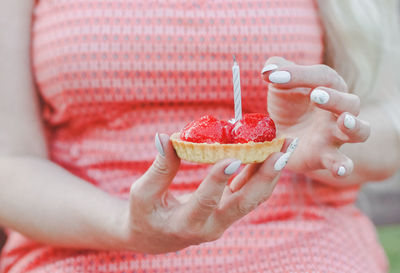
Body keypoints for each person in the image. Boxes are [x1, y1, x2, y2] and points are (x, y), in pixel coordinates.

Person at [0, 0, 399, 272]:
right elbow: (10, 163)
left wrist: (316, 139)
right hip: (84, 235)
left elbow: (390, 131)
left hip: (300, 233)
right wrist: (124, 224)